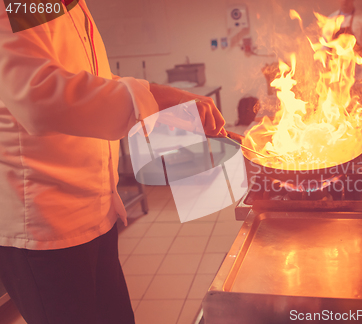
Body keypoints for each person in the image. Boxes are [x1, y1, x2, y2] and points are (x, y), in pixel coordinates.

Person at [0, 0, 225, 323]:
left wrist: (164, 95)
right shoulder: (21, 3)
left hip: (95, 209)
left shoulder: (69, 6)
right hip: (45, 224)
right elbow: (41, 97)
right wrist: (158, 100)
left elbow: (91, 79)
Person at [328, 0, 362, 73]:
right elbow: (325, 45)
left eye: (347, 0)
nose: (344, 2)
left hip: (356, 68)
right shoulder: (331, 18)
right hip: (335, 67)